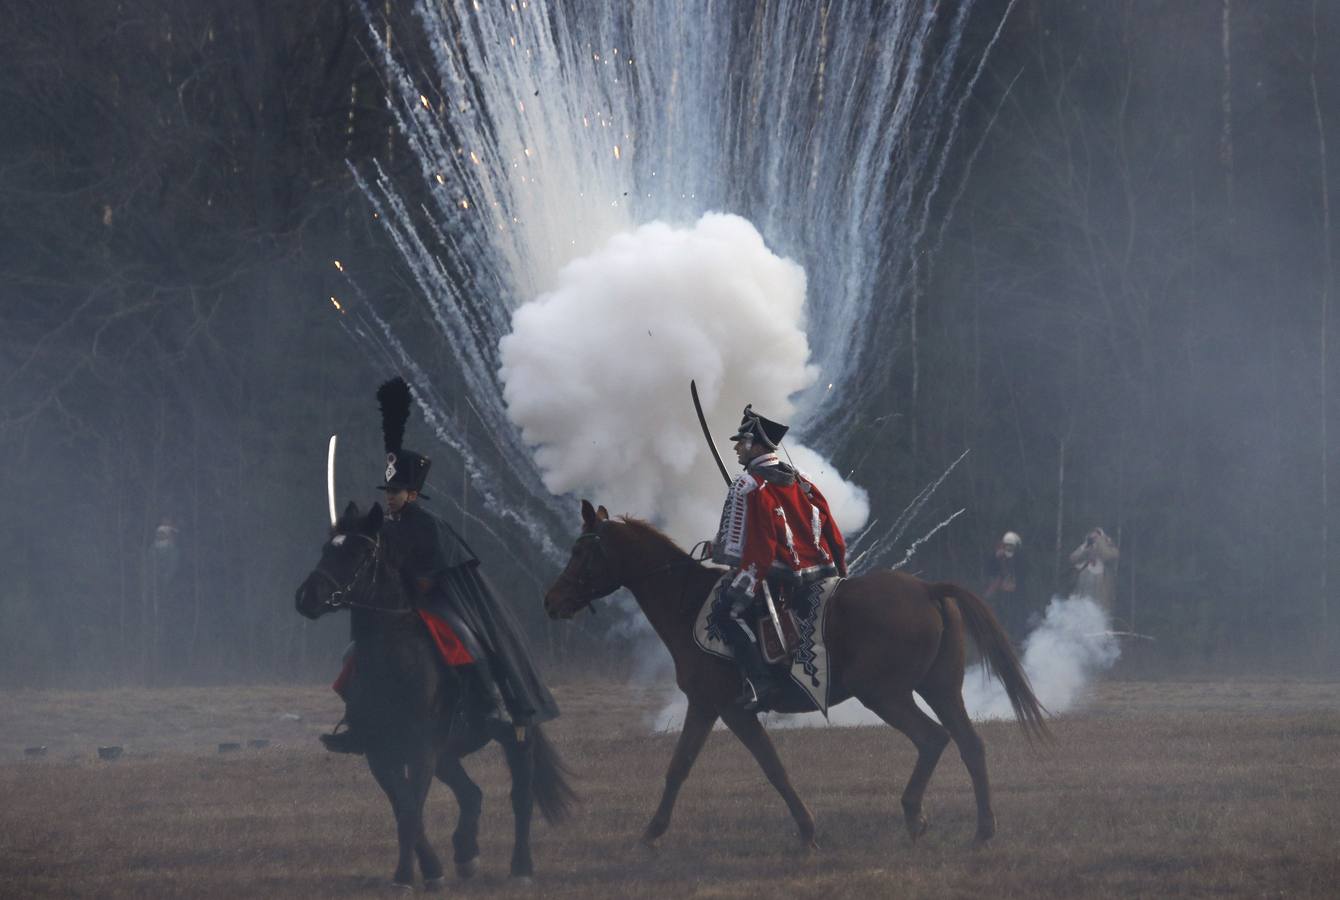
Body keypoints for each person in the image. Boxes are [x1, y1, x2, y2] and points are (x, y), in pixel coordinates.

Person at [322, 377, 559, 754]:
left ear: (412, 493)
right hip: (395, 609)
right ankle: (359, 722)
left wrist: (417, 589)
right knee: (354, 653)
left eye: (397, 493)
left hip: (436, 604)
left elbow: (436, 571)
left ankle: (490, 706)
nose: (391, 499)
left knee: (461, 642)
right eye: (388, 492)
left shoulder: (429, 525)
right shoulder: (382, 527)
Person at [708, 404, 847, 711]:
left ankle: (760, 682)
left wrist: (729, 565)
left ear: (757, 444)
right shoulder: (802, 480)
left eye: (741, 441)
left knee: (726, 615)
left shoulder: (748, 485)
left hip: (777, 575)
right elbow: (830, 528)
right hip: (820, 571)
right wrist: (840, 566)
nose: (736, 447)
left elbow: (757, 547)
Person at [983, 531, 1029, 644]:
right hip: (1001, 593)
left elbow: (1023, 574)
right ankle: (998, 638)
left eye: (1011, 545)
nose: (1008, 548)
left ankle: (1016, 640)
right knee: (1000, 616)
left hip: (1017, 594)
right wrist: (995, 557)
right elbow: (990, 570)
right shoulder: (999, 557)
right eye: (1006, 545)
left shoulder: (1020, 558)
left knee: (1016, 617)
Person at [1069, 526, 1119, 614]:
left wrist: (1101, 540)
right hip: (1085, 582)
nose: (1094, 538)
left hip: (1101, 584)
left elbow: (1108, 556)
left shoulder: (1111, 549)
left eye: (1097, 535)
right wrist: (1085, 545)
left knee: (1100, 610)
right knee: (1082, 608)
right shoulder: (1086, 548)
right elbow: (1073, 558)